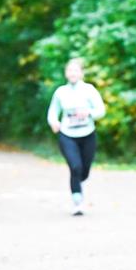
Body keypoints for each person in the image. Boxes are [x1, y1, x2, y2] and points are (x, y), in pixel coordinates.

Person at [47, 59, 106, 216]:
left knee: (84, 171)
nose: (72, 73)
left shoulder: (89, 90)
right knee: (75, 167)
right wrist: (54, 122)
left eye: (76, 70)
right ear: (66, 73)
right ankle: (77, 202)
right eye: (70, 70)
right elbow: (52, 112)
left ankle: (78, 185)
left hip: (87, 134)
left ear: (81, 73)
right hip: (67, 135)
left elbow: (101, 110)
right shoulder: (60, 92)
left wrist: (89, 113)